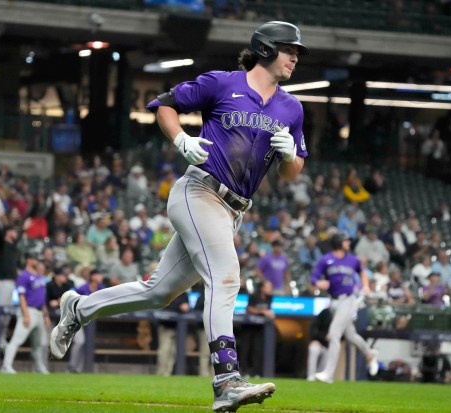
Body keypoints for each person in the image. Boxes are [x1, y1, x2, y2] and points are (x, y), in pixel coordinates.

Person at [50, 20, 311, 411]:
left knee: (158, 291)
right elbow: (164, 105)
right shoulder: (222, 83)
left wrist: (291, 155)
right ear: (266, 49)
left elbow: (294, 171)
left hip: (233, 209)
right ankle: (226, 378)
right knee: (225, 278)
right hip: (199, 190)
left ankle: (79, 308)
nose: (295, 57)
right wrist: (181, 138)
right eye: (290, 49)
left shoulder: (292, 107)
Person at [310, 233, 379, 383]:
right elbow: (313, 278)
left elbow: (362, 273)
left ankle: (328, 374)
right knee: (351, 335)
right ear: (338, 242)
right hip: (333, 302)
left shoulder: (353, 259)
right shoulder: (326, 259)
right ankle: (369, 354)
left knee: (334, 333)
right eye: (346, 240)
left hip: (348, 300)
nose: (348, 243)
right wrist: (319, 283)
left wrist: (366, 286)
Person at [1, 254, 50, 374]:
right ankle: (6, 366)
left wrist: (46, 315)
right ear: (29, 261)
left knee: (39, 344)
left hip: (39, 313)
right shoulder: (24, 276)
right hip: (29, 311)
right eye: (35, 260)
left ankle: (39, 368)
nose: (37, 262)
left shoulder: (39, 276)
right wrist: (26, 314)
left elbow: (41, 298)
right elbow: (21, 296)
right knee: (17, 340)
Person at [67, 268, 105, 373]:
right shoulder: (83, 288)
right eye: (98, 275)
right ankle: (71, 367)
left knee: (87, 343)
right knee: (80, 342)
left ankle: (78, 369)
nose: (101, 277)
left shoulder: (101, 288)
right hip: (77, 317)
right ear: (93, 277)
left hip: (89, 319)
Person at [239, 280, 275, 378]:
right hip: (248, 327)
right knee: (246, 349)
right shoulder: (254, 295)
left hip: (259, 328)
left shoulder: (269, 297)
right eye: (268, 287)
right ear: (262, 288)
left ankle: (255, 372)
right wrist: (263, 312)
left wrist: (269, 313)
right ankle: (244, 371)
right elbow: (249, 309)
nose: (270, 289)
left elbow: (269, 310)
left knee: (257, 350)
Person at [156, 290, 191, 376]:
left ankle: (168, 372)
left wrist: (187, 307)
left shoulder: (184, 293)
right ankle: (161, 372)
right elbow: (164, 306)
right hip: (166, 325)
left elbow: (188, 308)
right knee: (165, 349)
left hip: (179, 327)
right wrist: (179, 306)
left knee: (174, 351)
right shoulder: (168, 290)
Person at [306, 307, 332, 381]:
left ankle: (319, 376)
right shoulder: (325, 312)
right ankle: (311, 376)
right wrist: (314, 339)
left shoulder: (341, 315)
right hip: (318, 342)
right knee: (314, 349)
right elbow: (313, 326)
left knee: (327, 359)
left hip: (328, 345)